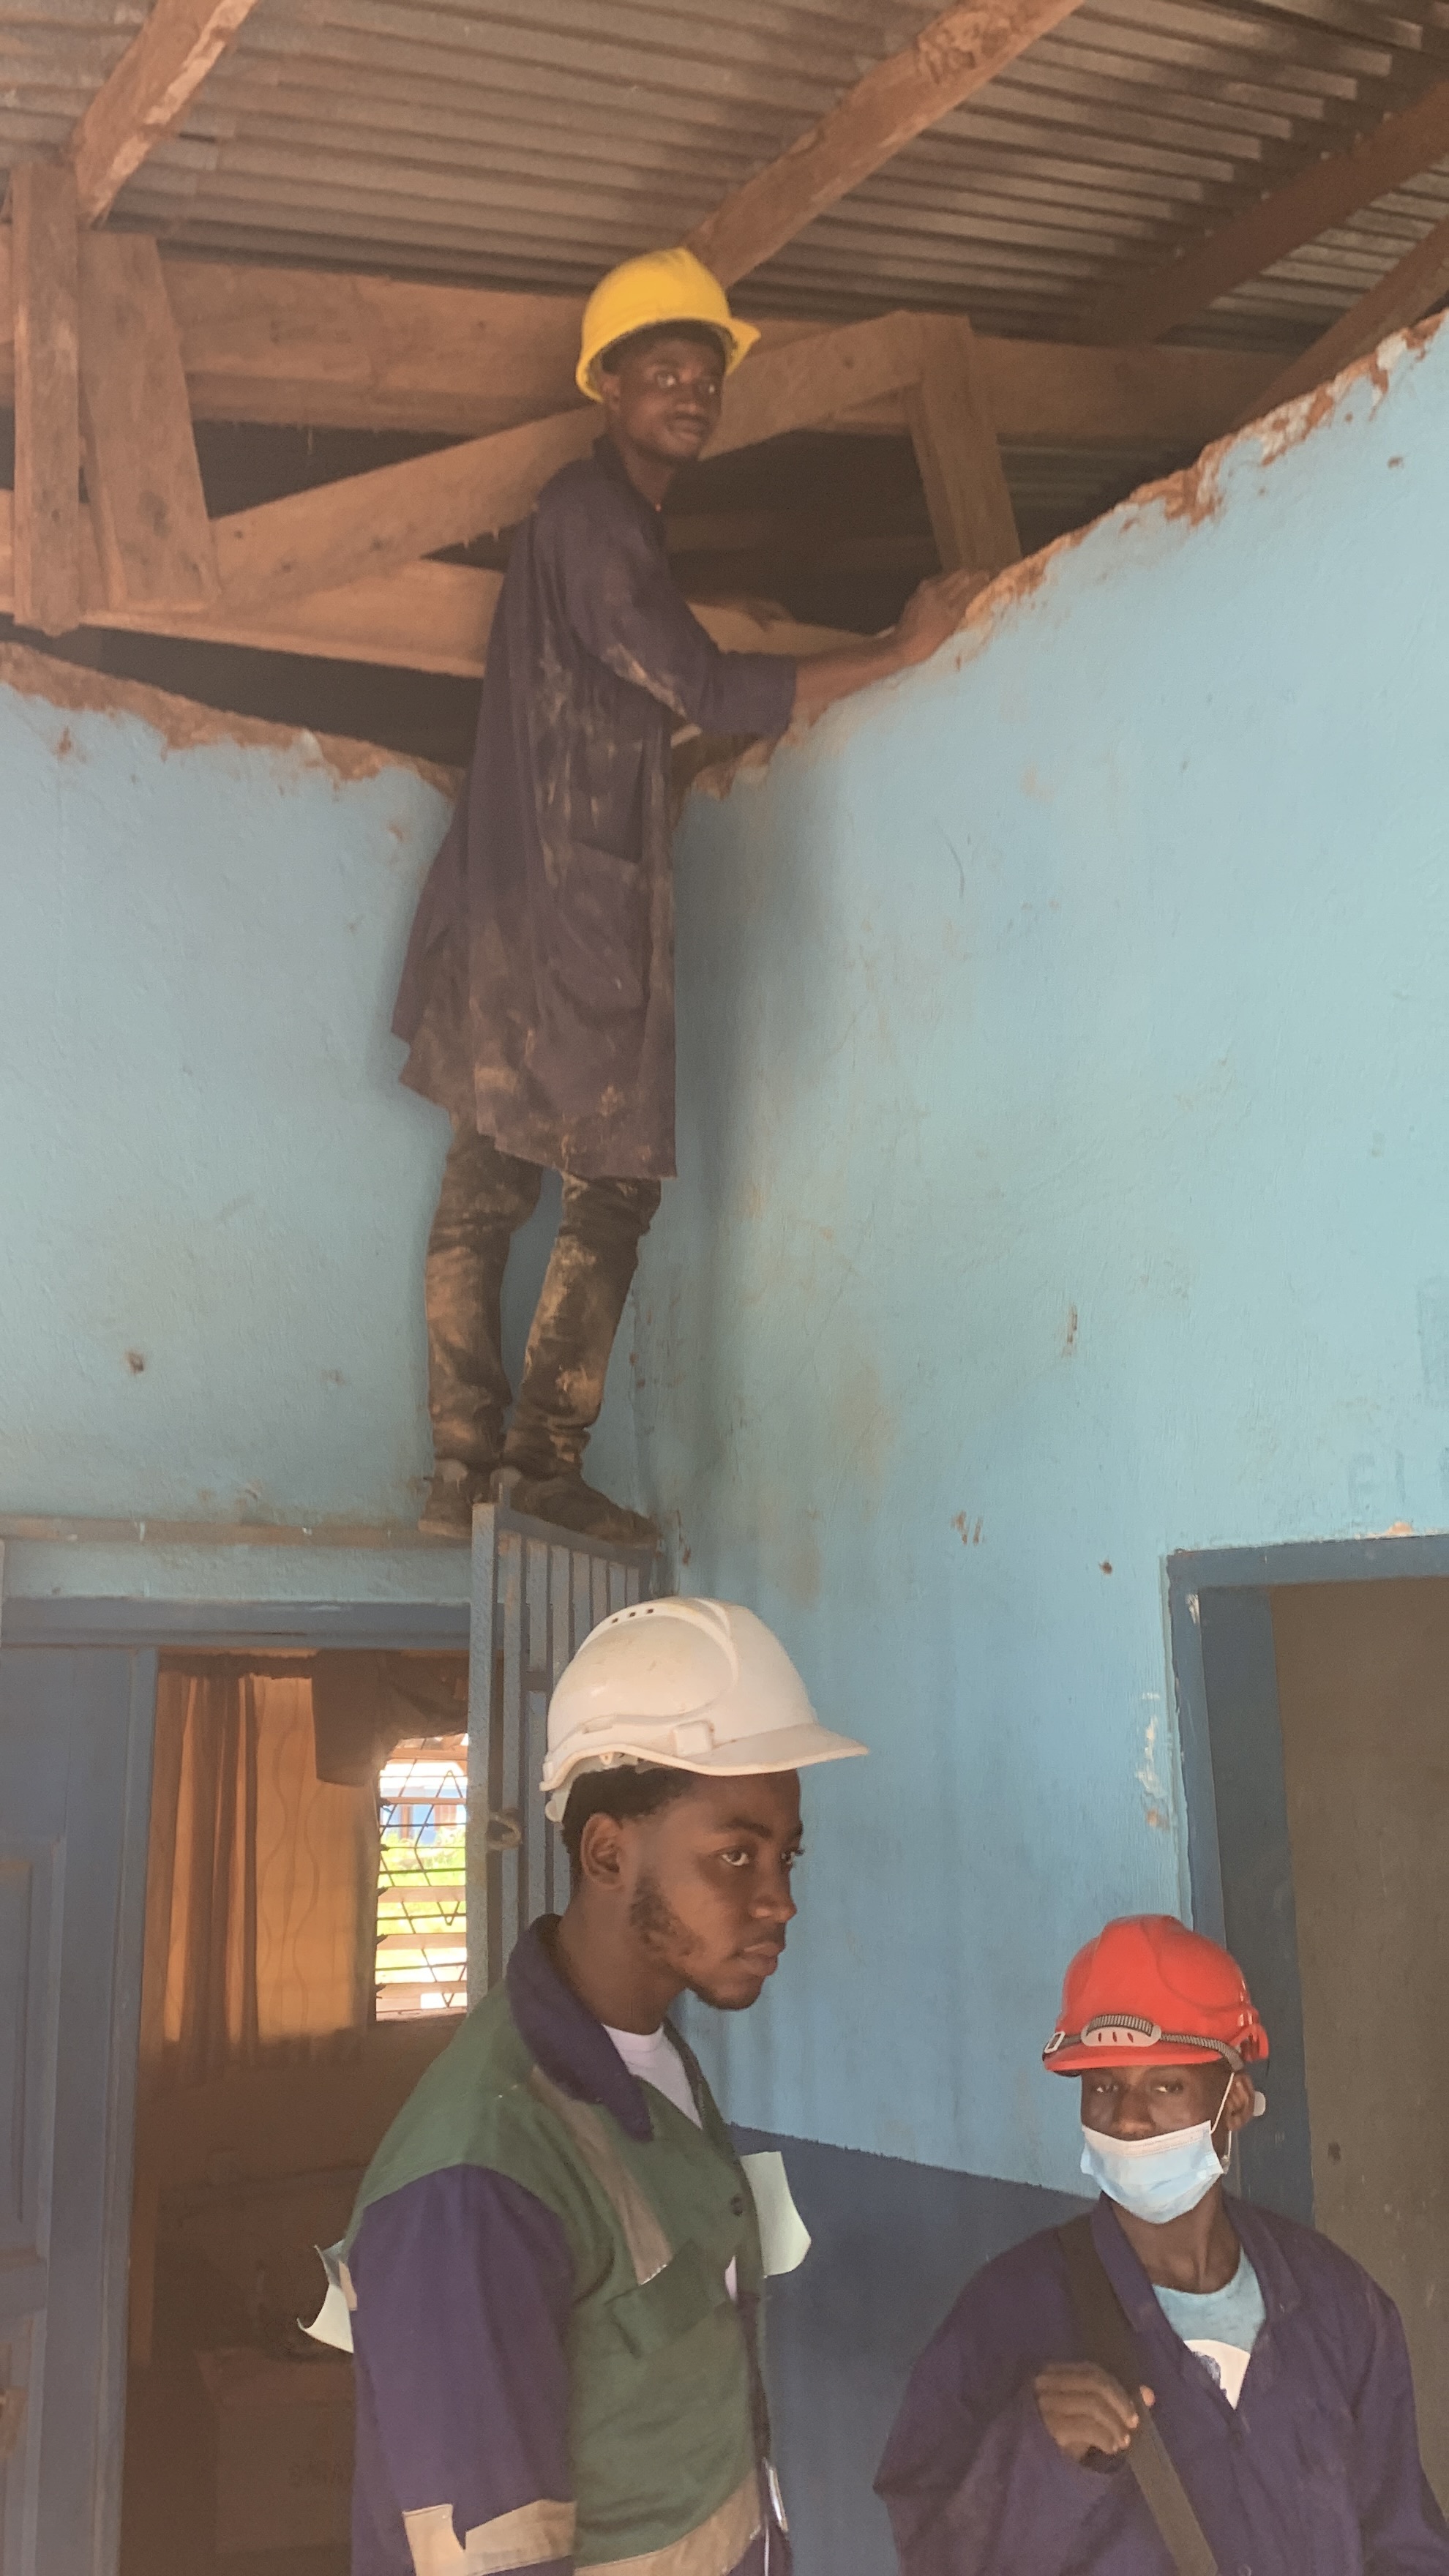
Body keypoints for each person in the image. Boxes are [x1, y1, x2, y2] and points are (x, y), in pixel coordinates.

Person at [397, 244, 981, 1542]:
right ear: (605, 386)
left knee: (486, 1184)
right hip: (566, 914)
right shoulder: (593, 520)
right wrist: (898, 650)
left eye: (704, 373)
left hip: (509, 904)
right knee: (606, 1188)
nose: (690, 390)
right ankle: (538, 1468)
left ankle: (460, 1475)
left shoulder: (593, 525)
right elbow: (703, 686)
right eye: (662, 370)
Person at [345, 1594, 866, 2576]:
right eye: (737, 1854)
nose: (780, 1899)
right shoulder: (478, 2179)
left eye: (785, 1855)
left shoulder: (652, 2059)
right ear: (608, 1853)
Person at [876, 1912, 1449, 2575]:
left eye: (1166, 2086)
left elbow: (1405, 2542)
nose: (1127, 2118)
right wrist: (1037, 2457)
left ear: (1235, 2104)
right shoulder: (1008, 2314)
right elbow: (932, 2554)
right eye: (1103, 2087)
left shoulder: (1339, 2304)